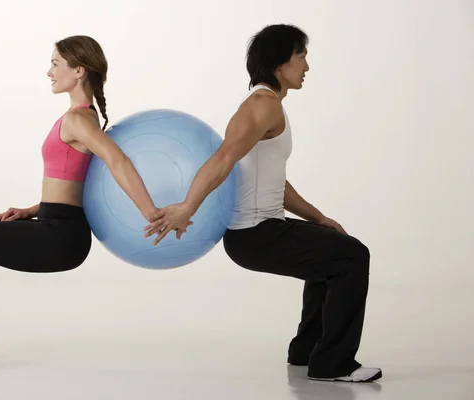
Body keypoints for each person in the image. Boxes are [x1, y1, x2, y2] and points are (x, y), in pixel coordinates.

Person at [0, 35, 172, 373]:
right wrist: (31, 210)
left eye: (55, 63)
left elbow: (118, 161)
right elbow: (74, 182)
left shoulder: (79, 120)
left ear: (78, 70)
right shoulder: (82, 117)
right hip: (54, 223)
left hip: (61, 236)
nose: (48, 72)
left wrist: (151, 212)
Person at [144, 24, 382, 382]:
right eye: (300, 56)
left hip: (266, 228)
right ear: (278, 65)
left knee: (334, 252)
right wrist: (188, 207)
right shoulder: (261, 106)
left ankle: (305, 351)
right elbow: (224, 157)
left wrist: (319, 218)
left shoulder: (270, 107)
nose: (307, 66)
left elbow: (275, 182)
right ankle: (333, 364)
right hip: (255, 235)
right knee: (352, 256)